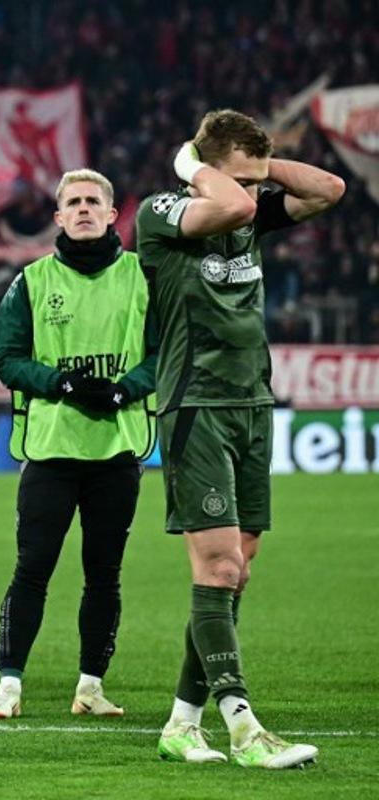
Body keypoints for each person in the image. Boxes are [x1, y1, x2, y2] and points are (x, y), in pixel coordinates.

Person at [140, 110, 344, 768]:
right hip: (195, 404)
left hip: (253, 404)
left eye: (259, 181)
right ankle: (243, 727)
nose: (256, 192)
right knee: (219, 568)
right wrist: (197, 169)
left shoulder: (246, 207)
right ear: (203, 169)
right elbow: (230, 204)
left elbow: (329, 189)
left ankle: (181, 724)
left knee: (238, 570)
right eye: (244, 177)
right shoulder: (163, 211)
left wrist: (258, 169)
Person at [0, 169, 157, 719]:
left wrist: (125, 389)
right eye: (73, 202)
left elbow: (166, 351)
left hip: (117, 451)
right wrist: (62, 383)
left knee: (104, 574)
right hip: (51, 451)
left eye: (92, 202)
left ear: (112, 214)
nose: (83, 209)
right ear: (58, 217)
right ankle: (9, 685)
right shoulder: (31, 281)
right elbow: (5, 356)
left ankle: (91, 687)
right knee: (32, 568)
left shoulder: (143, 277)